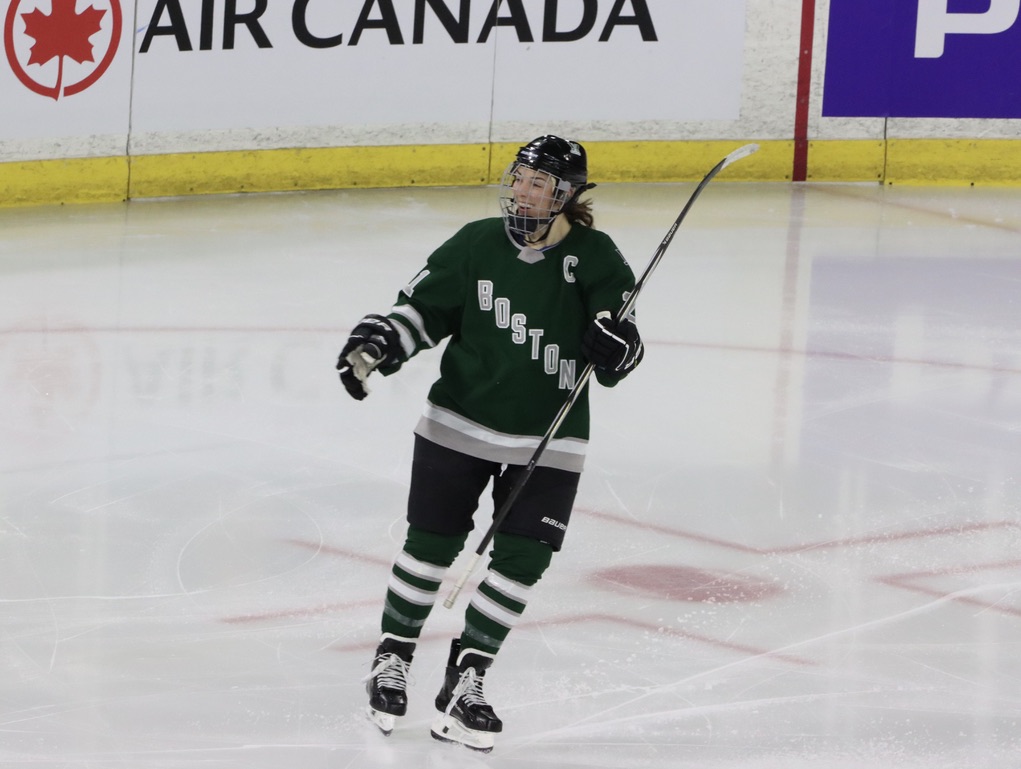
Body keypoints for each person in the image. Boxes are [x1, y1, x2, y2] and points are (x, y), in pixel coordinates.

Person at [336, 135, 644, 752]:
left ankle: (467, 679)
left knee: (524, 561)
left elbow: (619, 344)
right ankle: (392, 657)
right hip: (459, 422)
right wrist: (377, 346)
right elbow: (421, 311)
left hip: (549, 437)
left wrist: (618, 347)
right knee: (431, 547)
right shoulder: (475, 243)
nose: (524, 192)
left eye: (540, 184)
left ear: (568, 197)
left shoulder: (598, 258)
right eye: (520, 178)